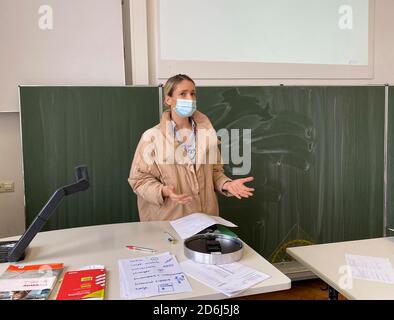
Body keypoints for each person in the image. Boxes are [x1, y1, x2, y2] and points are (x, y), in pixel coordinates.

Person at [128, 74, 254, 221]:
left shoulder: (207, 134)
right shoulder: (151, 137)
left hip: (205, 221)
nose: (190, 99)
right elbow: (139, 180)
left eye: (193, 93)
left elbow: (214, 172)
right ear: (168, 100)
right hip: (169, 222)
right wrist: (163, 190)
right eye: (183, 94)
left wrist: (227, 184)